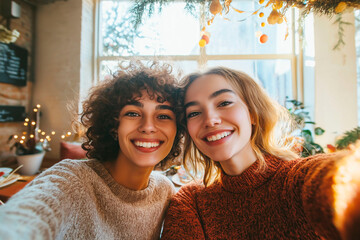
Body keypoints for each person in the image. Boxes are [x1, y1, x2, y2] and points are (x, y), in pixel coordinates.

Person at [161, 66, 360, 240]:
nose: (210, 120)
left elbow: (342, 178)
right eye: (194, 113)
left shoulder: (297, 179)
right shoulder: (192, 202)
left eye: (224, 103)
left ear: (253, 113)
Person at [0, 61, 184, 239]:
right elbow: (24, 220)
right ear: (113, 124)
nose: (148, 127)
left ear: (177, 129)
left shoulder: (165, 190)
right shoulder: (72, 180)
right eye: (133, 113)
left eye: (163, 115)